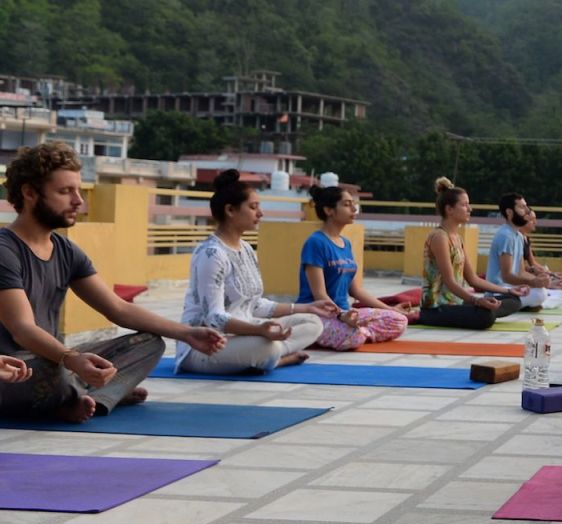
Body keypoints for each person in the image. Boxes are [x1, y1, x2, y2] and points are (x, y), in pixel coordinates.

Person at [0, 142, 226, 422]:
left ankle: (86, 395)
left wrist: (185, 333)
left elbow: (118, 309)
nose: (78, 201)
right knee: (54, 368)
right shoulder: (5, 251)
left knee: (149, 343)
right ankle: (91, 393)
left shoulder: (66, 250)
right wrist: (71, 359)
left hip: (57, 362)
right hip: (15, 369)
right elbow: (22, 329)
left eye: (78, 190)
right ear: (30, 193)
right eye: (65, 192)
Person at [177, 169, 335, 374]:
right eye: (253, 207)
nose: (260, 214)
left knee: (312, 322)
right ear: (230, 210)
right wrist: (259, 330)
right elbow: (214, 318)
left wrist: (307, 307)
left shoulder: (247, 249)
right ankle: (274, 357)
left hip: (246, 332)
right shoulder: (211, 254)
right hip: (206, 346)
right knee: (264, 346)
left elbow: (256, 304)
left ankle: (268, 356)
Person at [299, 186, 408, 350]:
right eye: (346, 204)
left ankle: (357, 332)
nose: (353, 208)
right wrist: (341, 316)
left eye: (353, 203)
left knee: (399, 320)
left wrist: (390, 309)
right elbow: (319, 295)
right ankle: (349, 333)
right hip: (318, 314)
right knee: (353, 337)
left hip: (346, 313)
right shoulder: (315, 243)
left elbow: (356, 291)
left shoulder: (346, 244)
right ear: (329, 210)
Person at [420, 178, 527, 329]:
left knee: (514, 299)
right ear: (449, 209)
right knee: (485, 316)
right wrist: (476, 301)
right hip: (437, 308)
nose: (469, 209)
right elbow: (450, 282)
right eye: (464, 205)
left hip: (457, 303)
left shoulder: (458, 238)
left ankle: (489, 310)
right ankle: (487, 312)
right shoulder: (439, 237)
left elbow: (473, 279)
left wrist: (508, 290)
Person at [487, 193, 562, 309]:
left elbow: (521, 272)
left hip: (512, 287)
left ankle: (520, 305)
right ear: (509, 212)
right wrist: (534, 283)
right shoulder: (505, 236)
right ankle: (510, 304)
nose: (527, 211)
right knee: (540, 294)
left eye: (526, 207)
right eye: (522, 207)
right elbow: (506, 276)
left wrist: (541, 281)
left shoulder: (519, 236)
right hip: (499, 290)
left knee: (556, 294)